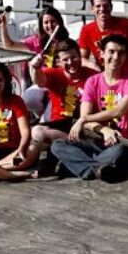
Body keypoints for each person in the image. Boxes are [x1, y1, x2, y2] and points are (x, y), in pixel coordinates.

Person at [51, 35, 128, 182]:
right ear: (102, 54)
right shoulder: (93, 81)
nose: (116, 57)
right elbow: (87, 119)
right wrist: (104, 130)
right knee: (58, 145)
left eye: (121, 53)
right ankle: (97, 168)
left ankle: (84, 166)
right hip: (98, 139)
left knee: (121, 151)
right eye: (111, 51)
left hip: (124, 141)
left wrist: (83, 119)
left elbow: (119, 111)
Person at [26, 39, 96, 170]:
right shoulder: (54, 73)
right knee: (36, 133)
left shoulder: (93, 76)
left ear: (80, 56)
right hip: (59, 126)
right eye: (65, 60)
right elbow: (40, 80)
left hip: (84, 127)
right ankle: (29, 166)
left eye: (74, 57)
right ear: (58, 62)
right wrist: (34, 68)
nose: (71, 63)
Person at [78, 0, 128, 73]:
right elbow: (82, 58)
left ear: (111, 7)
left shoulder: (127, 25)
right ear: (92, 9)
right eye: (98, 6)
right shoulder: (86, 29)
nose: (102, 9)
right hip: (103, 75)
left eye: (105, 5)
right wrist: (93, 65)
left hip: (127, 76)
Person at [0, 5, 69, 67]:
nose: (50, 26)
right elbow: (9, 45)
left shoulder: (67, 42)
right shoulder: (37, 41)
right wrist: (3, 27)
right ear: (41, 25)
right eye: (46, 23)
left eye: (53, 22)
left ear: (59, 22)